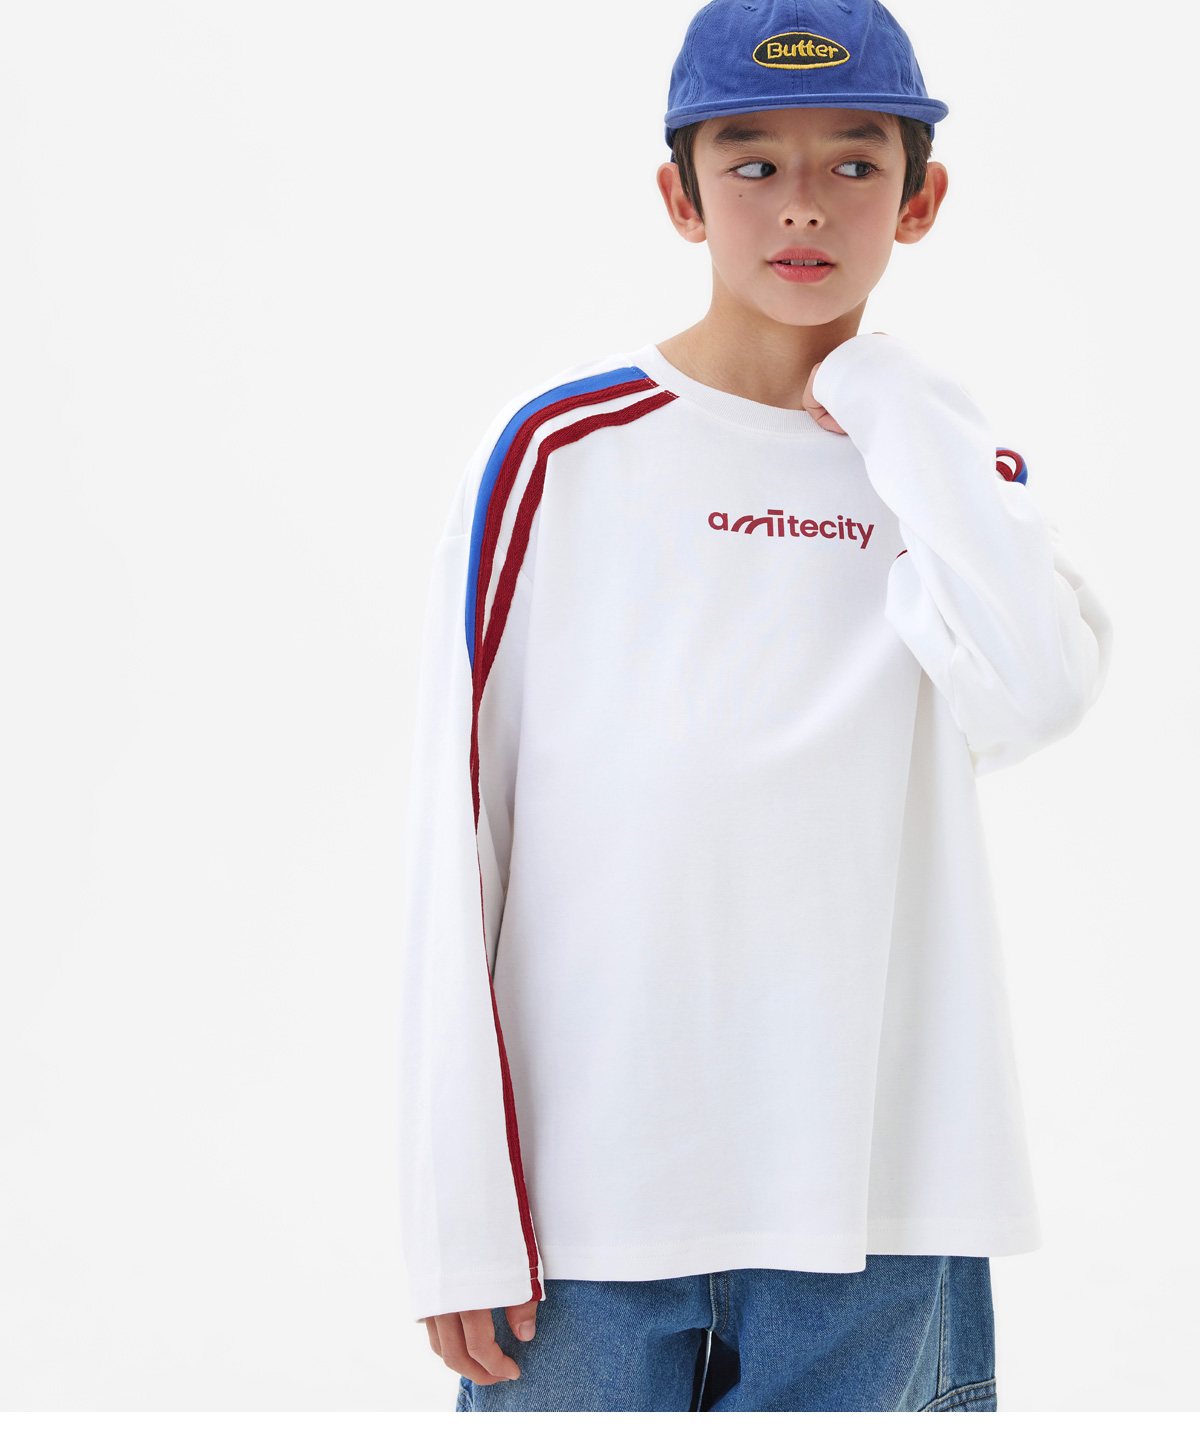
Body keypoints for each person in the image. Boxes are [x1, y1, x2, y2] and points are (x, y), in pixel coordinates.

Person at [398, 0, 1112, 1412]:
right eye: (753, 163)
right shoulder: (562, 453)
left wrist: (892, 399)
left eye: (855, 163)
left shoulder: (942, 472)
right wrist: (454, 1208)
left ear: (920, 202)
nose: (803, 205)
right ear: (682, 197)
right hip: (588, 1209)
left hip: (880, 1201)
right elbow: (459, 823)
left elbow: (1034, 691)